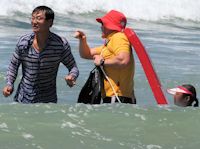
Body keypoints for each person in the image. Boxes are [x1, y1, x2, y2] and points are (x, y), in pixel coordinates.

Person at [2, 6, 79, 103]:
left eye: (39, 18)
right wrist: (9, 84)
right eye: (33, 18)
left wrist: (72, 76)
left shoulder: (60, 44)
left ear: (50, 22)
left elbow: (73, 67)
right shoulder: (23, 43)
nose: (34, 22)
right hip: (23, 98)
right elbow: (13, 66)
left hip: (48, 101)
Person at [74, 10, 136, 104]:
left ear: (110, 25)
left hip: (118, 98)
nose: (101, 27)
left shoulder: (118, 37)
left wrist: (102, 62)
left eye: (103, 23)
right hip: (116, 98)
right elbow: (86, 54)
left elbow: (123, 60)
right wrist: (83, 39)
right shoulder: (108, 44)